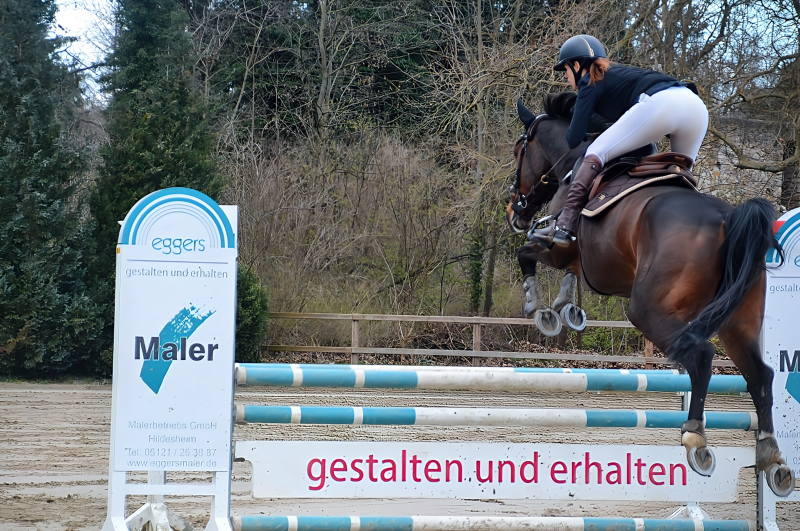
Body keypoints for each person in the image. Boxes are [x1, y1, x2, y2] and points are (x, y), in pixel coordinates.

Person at [550, 35, 709, 247]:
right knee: (680, 173)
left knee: (596, 152)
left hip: (663, 103)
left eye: (566, 71)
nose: (566, 77)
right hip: (695, 107)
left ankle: (565, 222)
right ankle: (692, 227)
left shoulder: (589, 80)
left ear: (577, 65)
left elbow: (573, 139)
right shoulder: (621, 75)